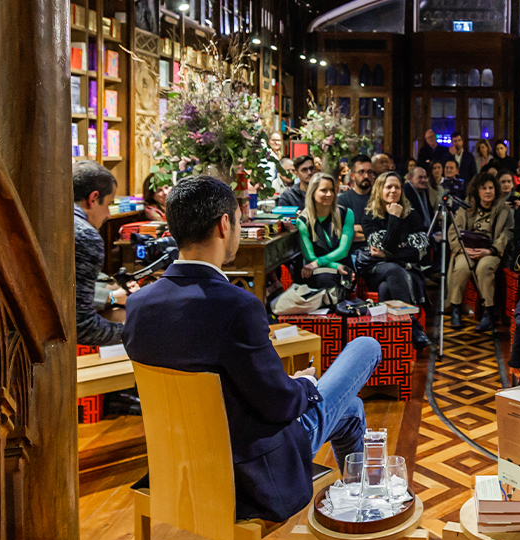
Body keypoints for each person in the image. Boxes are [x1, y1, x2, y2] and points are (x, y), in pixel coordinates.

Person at [124, 175, 382, 522]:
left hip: (178, 463)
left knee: (350, 409)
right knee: (365, 346)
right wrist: (303, 384)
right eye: (241, 221)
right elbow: (280, 405)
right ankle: (362, 505)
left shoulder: (139, 304)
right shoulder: (237, 306)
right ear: (224, 224)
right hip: (250, 472)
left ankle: (359, 498)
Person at [356, 172, 432, 349]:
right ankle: (412, 325)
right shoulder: (369, 217)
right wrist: (394, 218)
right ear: (380, 190)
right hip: (376, 270)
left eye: (397, 187)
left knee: (387, 287)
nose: (393, 190)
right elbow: (387, 246)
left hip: (404, 269)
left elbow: (419, 251)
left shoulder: (412, 215)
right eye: (388, 187)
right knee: (392, 270)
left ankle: (391, 343)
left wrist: (388, 255)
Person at [446, 170, 514, 333]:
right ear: (477, 190)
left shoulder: (504, 209)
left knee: (484, 268)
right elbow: (453, 231)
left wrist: (491, 250)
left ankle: (488, 312)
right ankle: (456, 308)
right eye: (484, 188)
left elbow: (508, 233)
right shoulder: (466, 206)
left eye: (491, 188)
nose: (488, 191)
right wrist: (463, 249)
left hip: (490, 251)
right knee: (462, 266)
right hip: (467, 248)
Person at [74, 161, 126, 346]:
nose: (109, 215)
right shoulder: (85, 236)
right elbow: (82, 326)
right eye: (109, 204)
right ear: (93, 198)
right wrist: (135, 331)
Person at [297, 173, 354, 286]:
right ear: (313, 193)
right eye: (323, 190)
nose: (329, 194)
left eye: (332, 190)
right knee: (325, 279)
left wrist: (318, 262)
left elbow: (343, 250)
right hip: (319, 271)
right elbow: (310, 257)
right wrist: (336, 266)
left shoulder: (346, 213)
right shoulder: (303, 221)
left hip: (344, 268)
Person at [336, 155, 375, 251]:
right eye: (361, 172)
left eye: (369, 172)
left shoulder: (379, 199)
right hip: (352, 252)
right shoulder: (343, 200)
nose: (366, 176)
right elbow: (341, 233)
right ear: (352, 176)